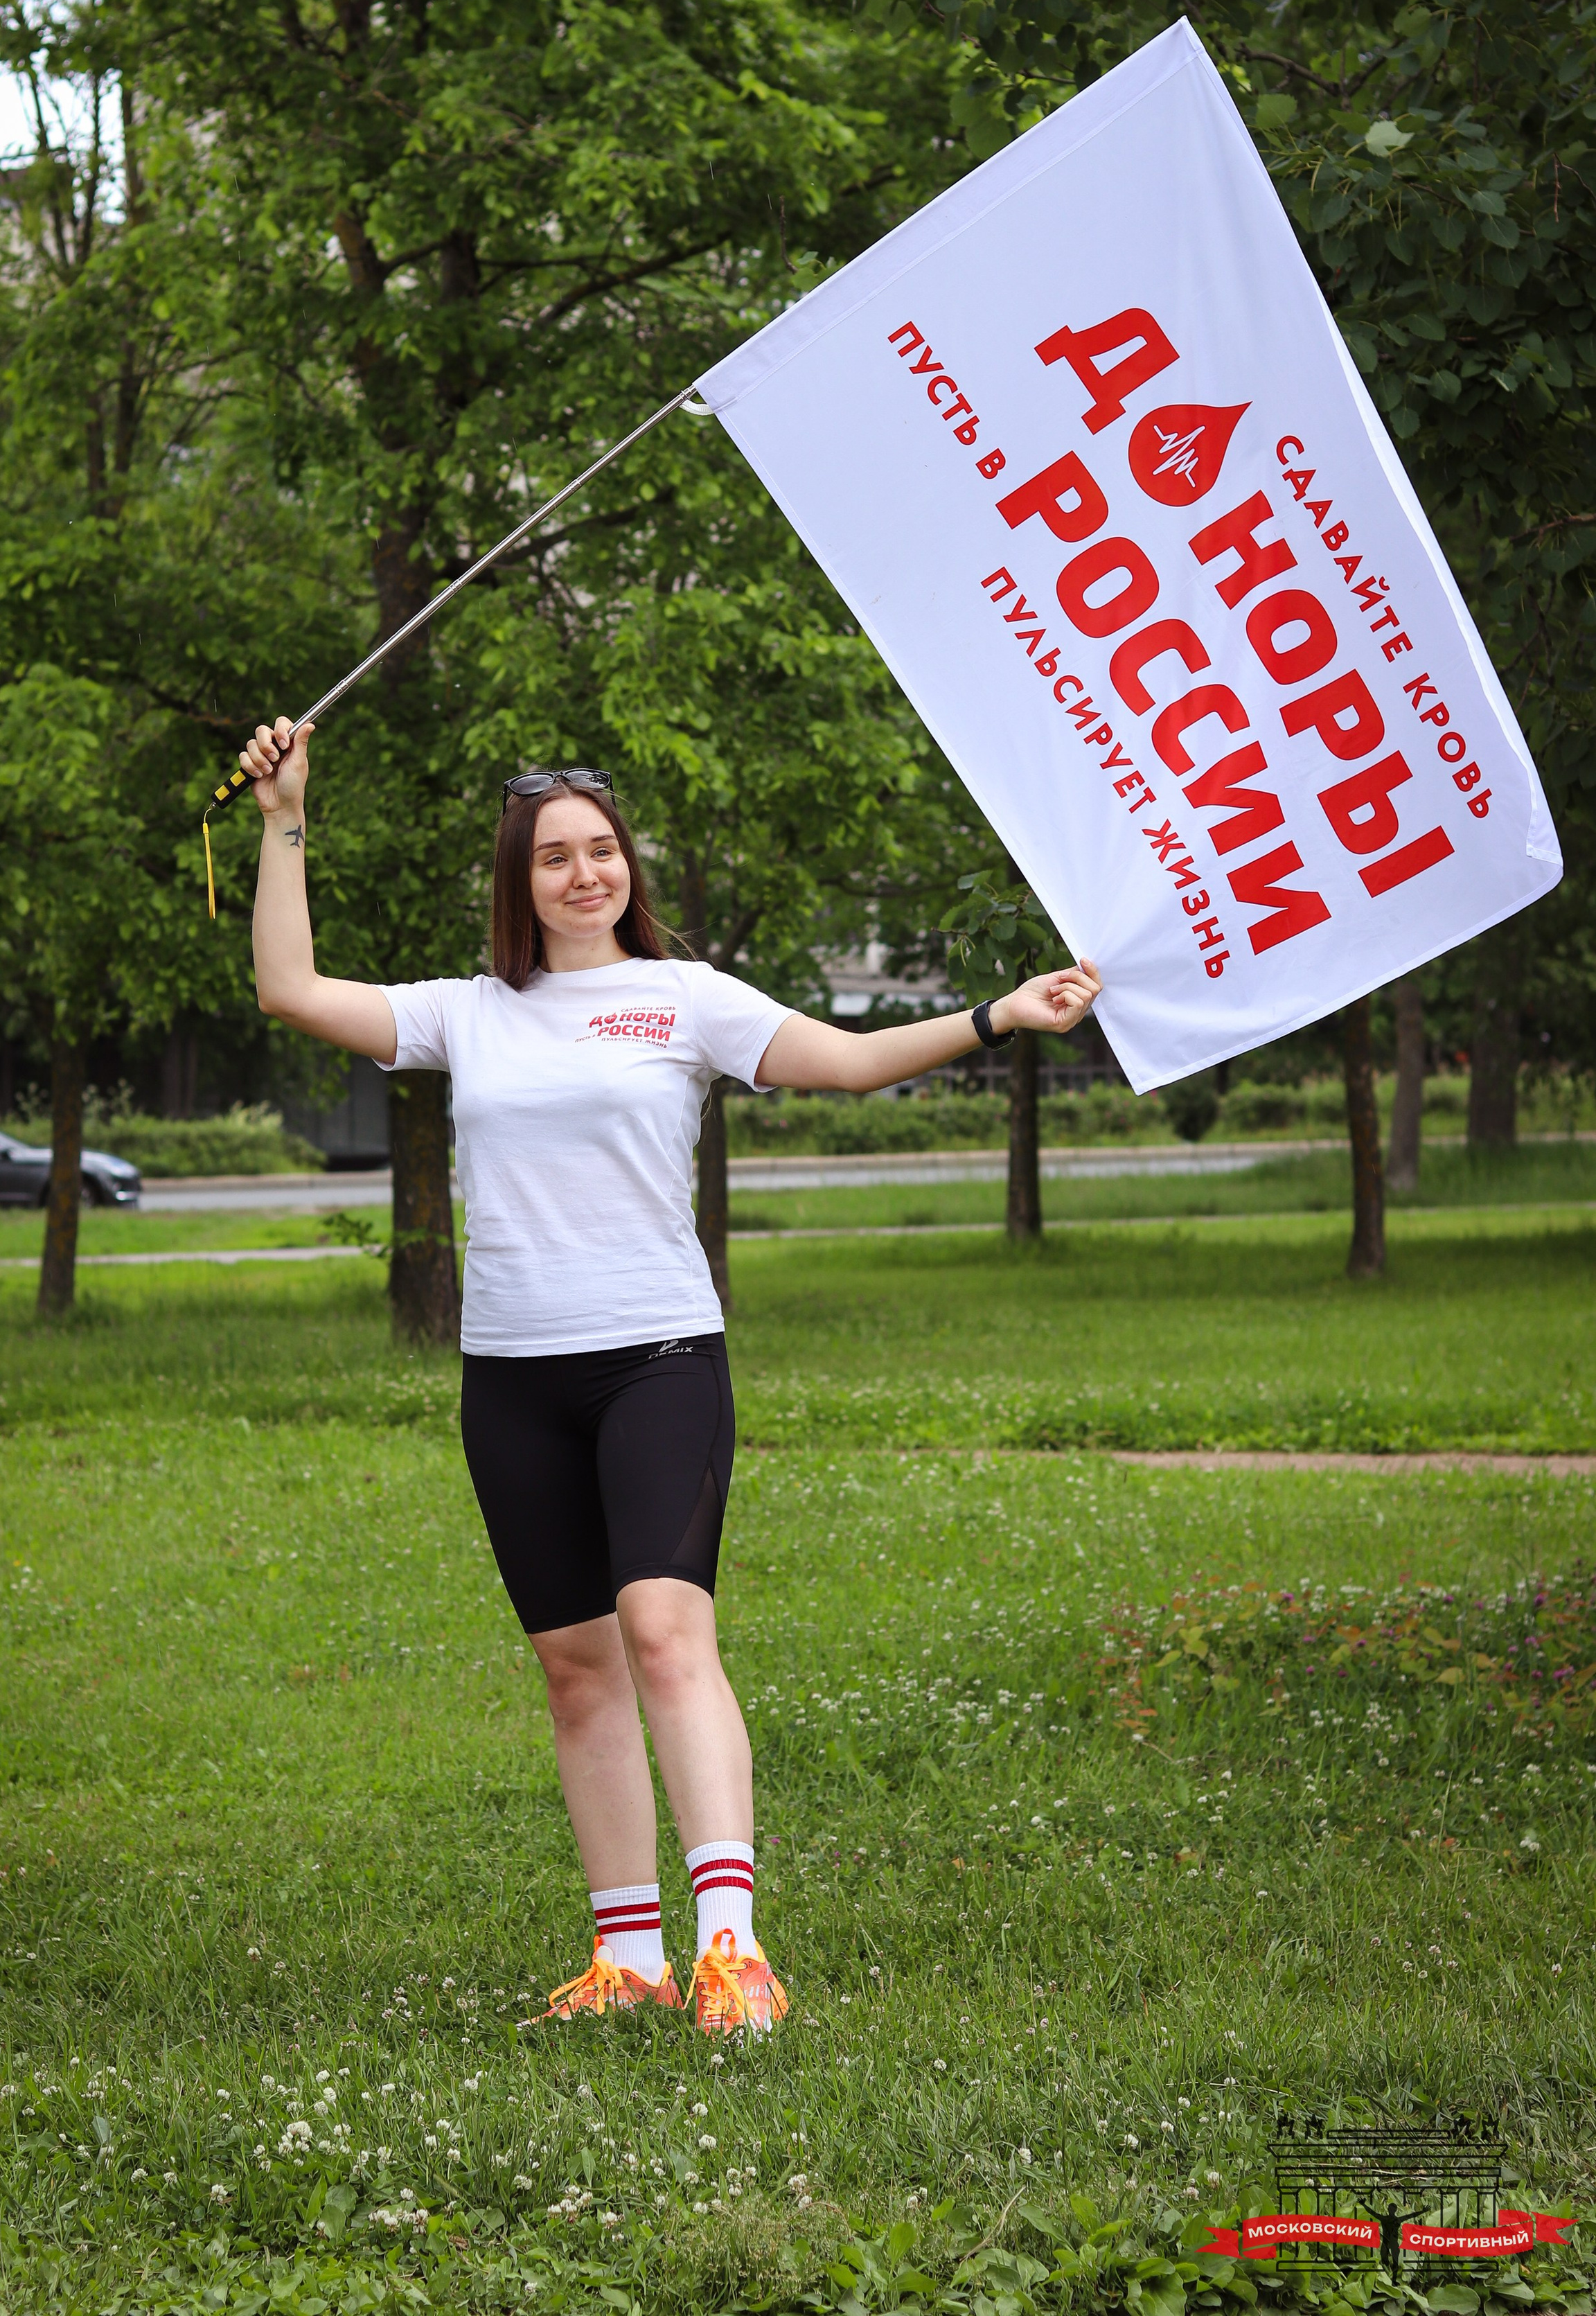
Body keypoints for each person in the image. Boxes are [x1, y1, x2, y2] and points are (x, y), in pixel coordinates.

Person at [240, 718, 1101, 2033]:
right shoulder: (467, 1013)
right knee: (576, 1667)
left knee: (662, 1628)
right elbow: (291, 990)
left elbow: (848, 1061)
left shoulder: (686, 997)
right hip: (512, 1377)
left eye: (601, 850)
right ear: (519, 882)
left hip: (658, 1358)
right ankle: (628, 1958)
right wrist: (284, 820)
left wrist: (998, 1015)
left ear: (627, 866)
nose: (584, 874)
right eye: (554, 858)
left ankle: (733, 1951)